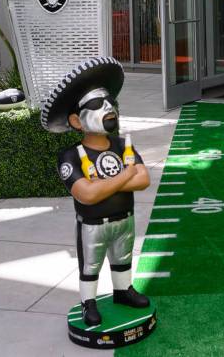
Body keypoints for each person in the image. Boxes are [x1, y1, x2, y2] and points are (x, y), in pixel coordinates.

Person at [40, 56, 151, 326]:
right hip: (92, 225)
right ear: (77, 121)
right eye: (96, 105)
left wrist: (102, 185)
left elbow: (143, 179)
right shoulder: (71, 156)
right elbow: (86, 194)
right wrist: (125, 175)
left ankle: (123, 290)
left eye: (109, 102)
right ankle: (88, 302)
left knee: (123, 258)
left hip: (124, 218)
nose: (108, 108)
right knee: (90, 266)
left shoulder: (122, 144)